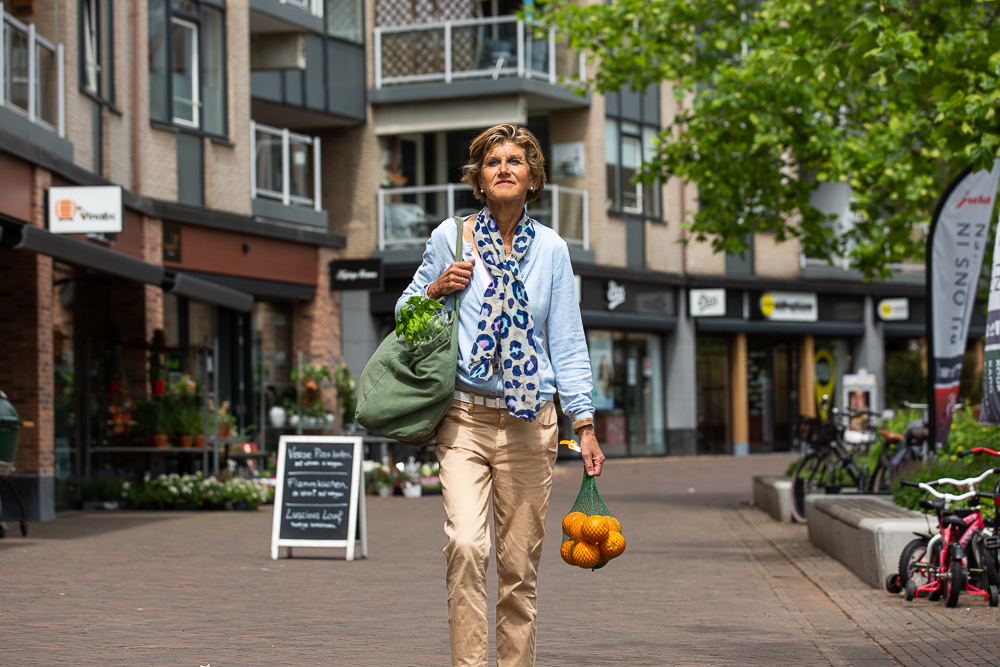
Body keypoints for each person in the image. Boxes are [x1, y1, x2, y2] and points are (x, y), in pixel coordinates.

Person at [396, 123, 604, 667]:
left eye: (516, 160)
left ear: (532, 178)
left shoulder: (553, 250)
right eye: (493, 162)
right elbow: (405, 316)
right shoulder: (451, 238)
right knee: (466, 546)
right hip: (464, 417)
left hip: (530, 422)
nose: (505, 168)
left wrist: (582, 422)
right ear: (479, 179)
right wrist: (437, 288)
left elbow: (566, 338)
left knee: (518, 571)